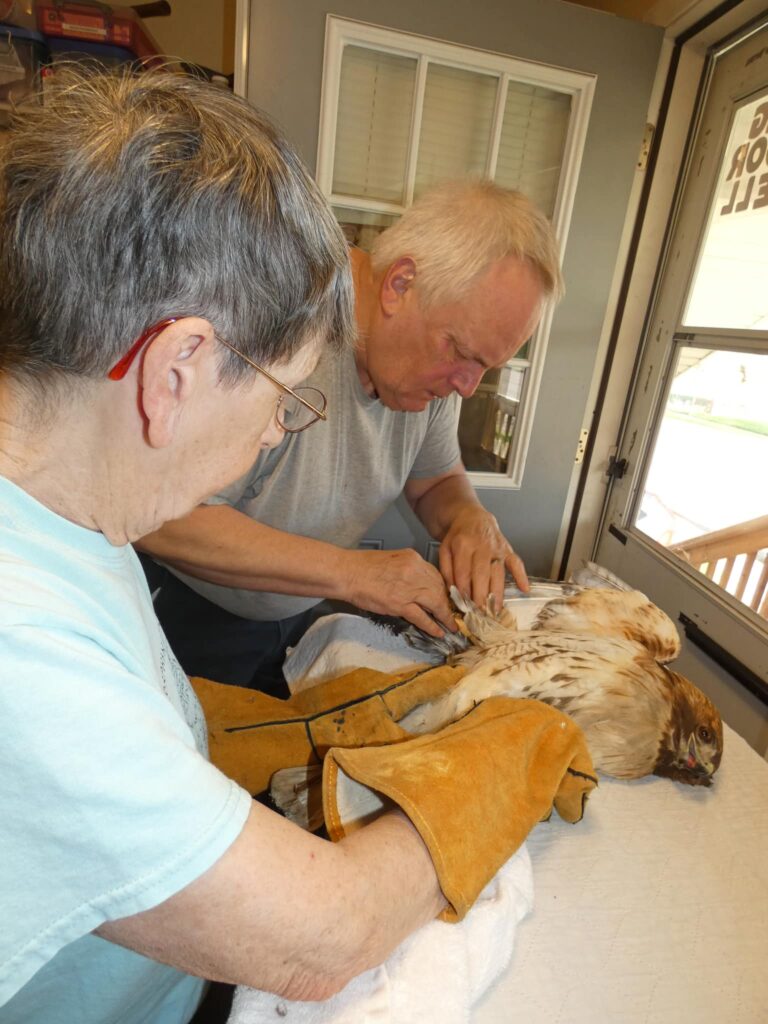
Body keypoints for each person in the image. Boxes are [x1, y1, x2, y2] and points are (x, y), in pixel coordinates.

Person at [0, 66, 452, 1023]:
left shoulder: (74, 507)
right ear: (177, 368)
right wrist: (473, 782)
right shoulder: (19, 645)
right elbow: (320, 943)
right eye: (284, 398)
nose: (272, 435)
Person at [138, 181, 564, 694]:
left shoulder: (435, 363)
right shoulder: (276, 318)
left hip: (294, 606)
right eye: (463, 354)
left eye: (486, 367)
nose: (467, 388)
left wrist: (469, 518)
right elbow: (161, 516)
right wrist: (352, 573)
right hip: (183, 610)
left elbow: (434, 481)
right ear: (400, 284)